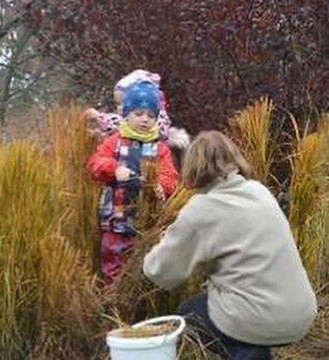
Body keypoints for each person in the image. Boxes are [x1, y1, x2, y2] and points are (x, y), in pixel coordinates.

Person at [143, 131, 317, 360]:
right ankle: (253, 352)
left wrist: (166, 242)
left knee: (190, 314)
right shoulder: (259, 191)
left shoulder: (200, 210)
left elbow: (162, 272)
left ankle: (250, 354)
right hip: (300, 313)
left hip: (263, 318)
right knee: (228, 307)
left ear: (193, 167)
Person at [87, 81, 178, 285]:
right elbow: (95, 164)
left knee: (141, 262)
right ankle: (111, 297)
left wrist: (161, 186)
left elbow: (170, 176)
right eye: (138, 114)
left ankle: (136, 299)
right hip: (116, 218)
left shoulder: (160, 148)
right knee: (112, 258)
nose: (145, 120)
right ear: (126, 115)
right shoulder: (115, 142)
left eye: (151, 115)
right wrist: (114, 169)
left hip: (146, 221)